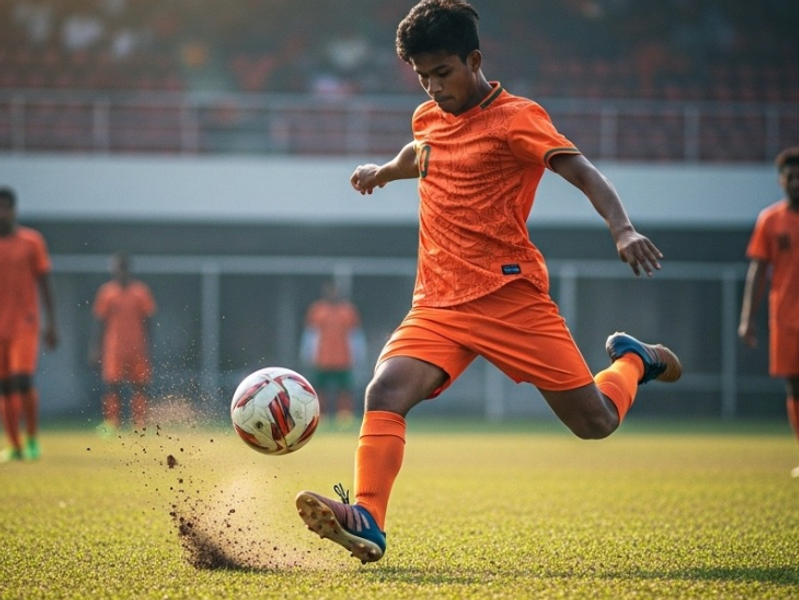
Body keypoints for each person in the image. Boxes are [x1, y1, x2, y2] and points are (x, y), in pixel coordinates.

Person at [294, 0, 682, 563]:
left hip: (509, 298)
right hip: (437, 302)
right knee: (384, 391)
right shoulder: (427, 116)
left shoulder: (517, 118)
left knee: (594, 423)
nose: (431, 87)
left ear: (473, 59)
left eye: (442, 73)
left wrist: (622, 230)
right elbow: (421, 152)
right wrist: (383, 172)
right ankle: (369, 517)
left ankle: (633, 361)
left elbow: (581, 170)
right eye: (421, 76)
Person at [738, 147, 799, 478]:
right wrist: (748, 319)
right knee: (795, 387)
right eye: (791, 177)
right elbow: (758, 271)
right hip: (787, 319)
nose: (796, 183)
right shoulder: (771, 221)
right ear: (781, 181)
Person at [0, 187, 58, 462]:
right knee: (4, 386)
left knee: (22, 380)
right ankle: (14, 445)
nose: (2, 213)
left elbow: (45, 282)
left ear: (15, 210)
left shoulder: (32, 242)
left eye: (6, 207)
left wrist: (52, 323)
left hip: (25, 323)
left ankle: (32, 438)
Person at [90, 253, 157, 434]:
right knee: (112, 386)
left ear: (127, 269)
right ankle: (112, 423)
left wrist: (149, 346)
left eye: (121, 268)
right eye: (115, 268)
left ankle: (140, 424)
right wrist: (96, 349)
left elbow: (148, 321)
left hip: (137, 348)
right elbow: (100, 322)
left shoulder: (141, 292)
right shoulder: (106, 293)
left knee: (140, 386)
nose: (119, 272)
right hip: (113, 349)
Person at [301, 281, 365, 425]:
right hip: (322, 358)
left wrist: (359, 355)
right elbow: (311, 334)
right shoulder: (317, 310)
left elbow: (355, 335)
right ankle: (320, 415)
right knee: (319, 389)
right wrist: (307, 354)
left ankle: (344, 416)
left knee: (345, 390)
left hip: (343, 359)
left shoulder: (348, 311)